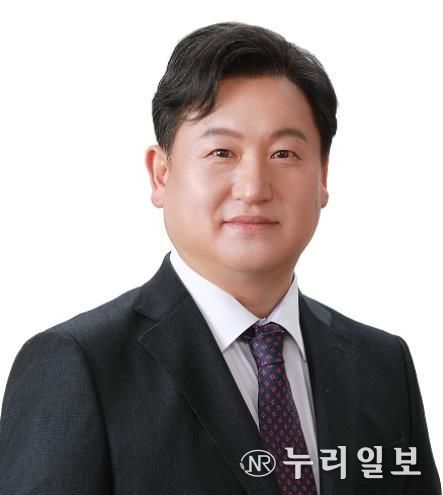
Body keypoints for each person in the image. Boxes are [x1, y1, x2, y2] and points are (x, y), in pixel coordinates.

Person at [0, 22, 440, 495]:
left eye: (284, 153)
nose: (253, 188)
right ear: (161, 174)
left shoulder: (382, 365)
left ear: (323, 176)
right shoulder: (79, 365)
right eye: (222, 152)